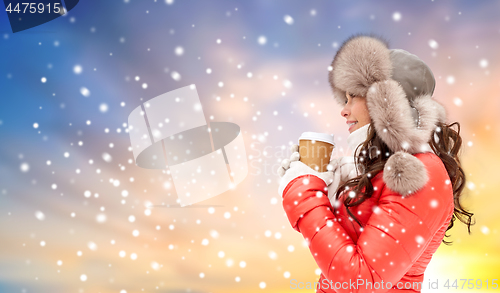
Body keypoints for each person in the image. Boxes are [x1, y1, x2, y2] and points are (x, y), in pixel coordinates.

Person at [277, 35, 474, 293]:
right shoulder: (381, 170)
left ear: (385, 102)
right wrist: (326, 189)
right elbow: (340, 257)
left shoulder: (420, 172)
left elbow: (360, 281)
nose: (344, 111)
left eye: (352, 98)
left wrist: (301, 193)